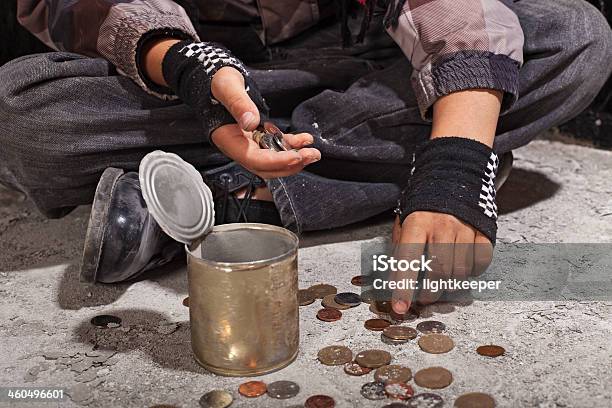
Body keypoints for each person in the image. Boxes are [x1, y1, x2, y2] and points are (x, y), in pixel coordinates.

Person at [1, 0, 610, 313]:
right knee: (23, 113)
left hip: (371, 60)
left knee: (573, 35)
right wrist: (187, 68)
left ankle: (225, 200)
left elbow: (447, 9)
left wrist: (455, 165)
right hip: (190, 72)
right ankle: (408, 149)